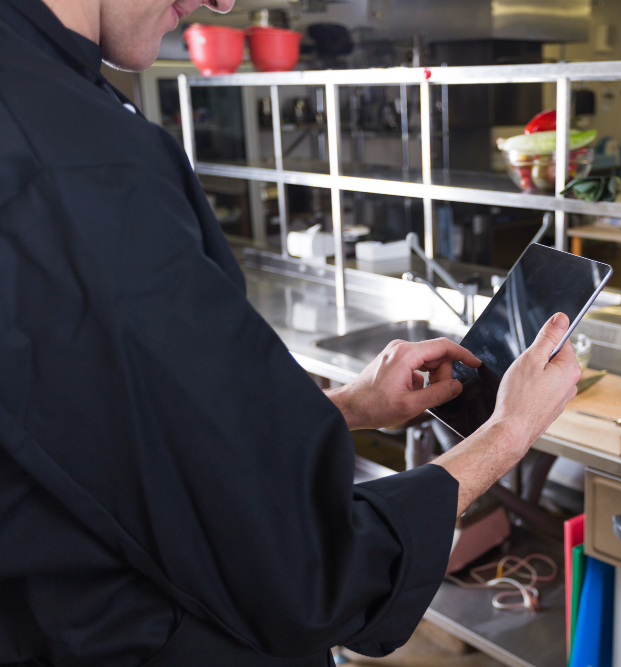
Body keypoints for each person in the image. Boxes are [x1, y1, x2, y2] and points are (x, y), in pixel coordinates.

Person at [0, 0, 582, 664]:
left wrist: (351, 406)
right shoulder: (81, 162)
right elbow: (311, 567)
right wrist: (506, 434)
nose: (222, 4)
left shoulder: (37, 88)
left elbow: (124, 442)